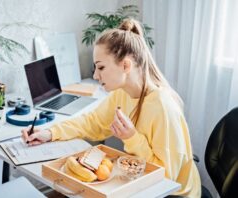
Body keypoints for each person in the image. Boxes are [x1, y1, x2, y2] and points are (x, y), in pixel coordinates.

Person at [22, 18, 201, 197]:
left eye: (101, 67)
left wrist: (132, 138)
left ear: (125, 65)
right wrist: (50, 133)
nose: (95, 75)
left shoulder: (162, 106)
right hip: (142, 182)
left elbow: (167, 176)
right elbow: (92, 122)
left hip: (173, 193)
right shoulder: (122, 93)